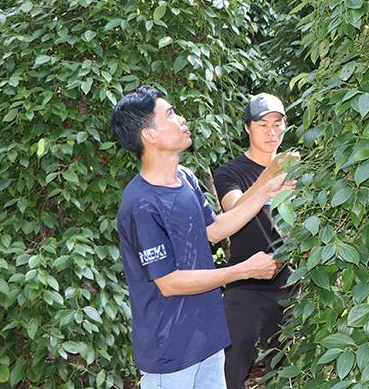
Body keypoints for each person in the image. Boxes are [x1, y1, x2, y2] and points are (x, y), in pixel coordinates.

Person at [110, 85, 293, 389]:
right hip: (170, 352)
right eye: (170, 114)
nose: (181, 119)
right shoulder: (141, 203)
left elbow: (214, 229)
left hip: (208, 339)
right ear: (149, 135)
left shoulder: (186, 178)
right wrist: (244, 270)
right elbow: (169, 283)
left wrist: (267, 191)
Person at [213, 93, 298, 389]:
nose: (272, 132)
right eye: (263, 125)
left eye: (278, 124)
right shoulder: (230, 172)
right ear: (247, 128)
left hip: (290, 283)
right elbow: (233, 212)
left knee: (288, 371)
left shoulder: (298, 171)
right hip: (245, 285)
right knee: (231, 372)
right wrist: (269, 178)